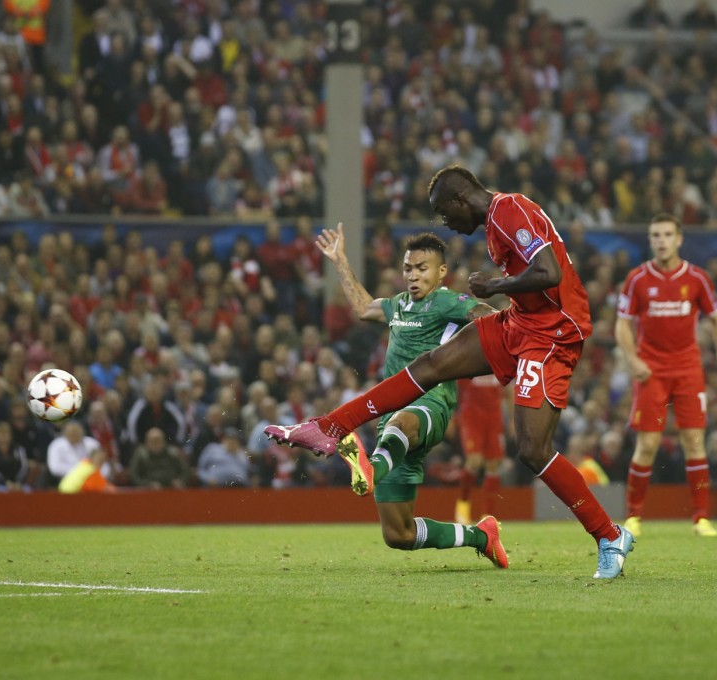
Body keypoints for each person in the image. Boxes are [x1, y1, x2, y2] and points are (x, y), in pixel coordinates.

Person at [266, 165, 635, 579]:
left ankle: (609, 535)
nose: (447, 224)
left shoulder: (510, 209)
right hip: (522, 323)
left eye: (445, 213)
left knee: (532, 449)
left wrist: (495, 287)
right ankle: (330, 427)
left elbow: (550, 272)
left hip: (551, 334)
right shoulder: (495, 225)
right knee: (431, 364)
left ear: (461, 200)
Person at [315, 224, 507, 568]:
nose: (413, 276)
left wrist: (499, 322)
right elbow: (362, 307)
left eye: (422, 268)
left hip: (431, 406)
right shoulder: (397, 306)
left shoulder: (447, 300)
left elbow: (481, 312)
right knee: (399, 535)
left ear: (441, 272)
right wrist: (340, 260)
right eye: (408, 269)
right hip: (393, 420)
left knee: (403, 423)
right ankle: (482, 535)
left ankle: (371, 468)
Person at [615, 213, 717, 538]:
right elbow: (622, 324)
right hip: (651, 372)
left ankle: (701, 518)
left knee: (694, 442)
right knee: (648, 444)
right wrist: (632, 360)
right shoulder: (637, 279)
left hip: (687, 370)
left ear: (679, 239)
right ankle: (633, 517)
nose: (661, 240)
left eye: (667, 234)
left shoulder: (697, 278)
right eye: (655, 235)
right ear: (650, 239)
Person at [454, 374, 507, 525]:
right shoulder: (471, 360)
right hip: (472, 415)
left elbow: (509, 390)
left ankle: (488, 516)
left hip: (494, 416)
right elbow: (453, 387)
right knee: (475, 461)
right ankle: (463, 504)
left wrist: (512, 419)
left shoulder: (500, 361)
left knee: (494, 463)